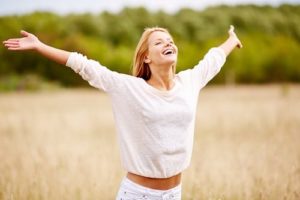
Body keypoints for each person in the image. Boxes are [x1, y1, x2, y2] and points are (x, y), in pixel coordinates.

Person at [3, 25, 242, 200]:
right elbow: (85, 65)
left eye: (170, 40)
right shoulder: (130, 88)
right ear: (146, 57)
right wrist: (39, 46)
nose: (168, 43)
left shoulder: (189, 82)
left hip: (174, 194)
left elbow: (214, 59)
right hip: (138, 195)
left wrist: (232, 39)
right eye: (159, 42)